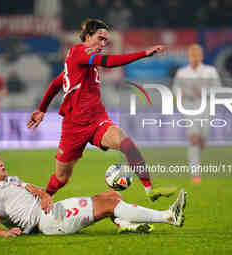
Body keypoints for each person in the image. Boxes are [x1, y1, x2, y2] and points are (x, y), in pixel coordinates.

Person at [27, 18, 176, 201]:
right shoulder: (79, 51)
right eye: (100, 38)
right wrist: (144, 53)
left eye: (106, 40)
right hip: (74, 126)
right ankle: (38, 205)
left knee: (127, 145)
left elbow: (57, 83)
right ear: (88, 36)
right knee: (61, 178)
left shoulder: (83, 64)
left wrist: (42, 109)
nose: (103, 43)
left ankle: (150, 190)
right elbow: (109, 61)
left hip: (98, 121)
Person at [0, 150, 186, 237]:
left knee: (112, 196)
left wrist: (44, 195)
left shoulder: (11, 180)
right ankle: (168, 216)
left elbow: (32, 189)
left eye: (0, 159)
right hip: (46, 222)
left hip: (51, 210)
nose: (1, 163)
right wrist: (6, 233)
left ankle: (124, 224)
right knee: (109, 205)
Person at [173, 44, 221, 183]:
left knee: (203, 134)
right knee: (193, 137)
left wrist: (204, 92)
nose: (194, 57)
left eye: (197, 54)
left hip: (206, 106)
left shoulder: (210, 71)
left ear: (201, 56)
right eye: (192, 55)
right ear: (189, 56)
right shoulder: (182, 72)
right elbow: (176, 87)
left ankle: (203, 140)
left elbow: (218, 88)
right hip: (189, 106)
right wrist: (179, 95)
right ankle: (195, 173)